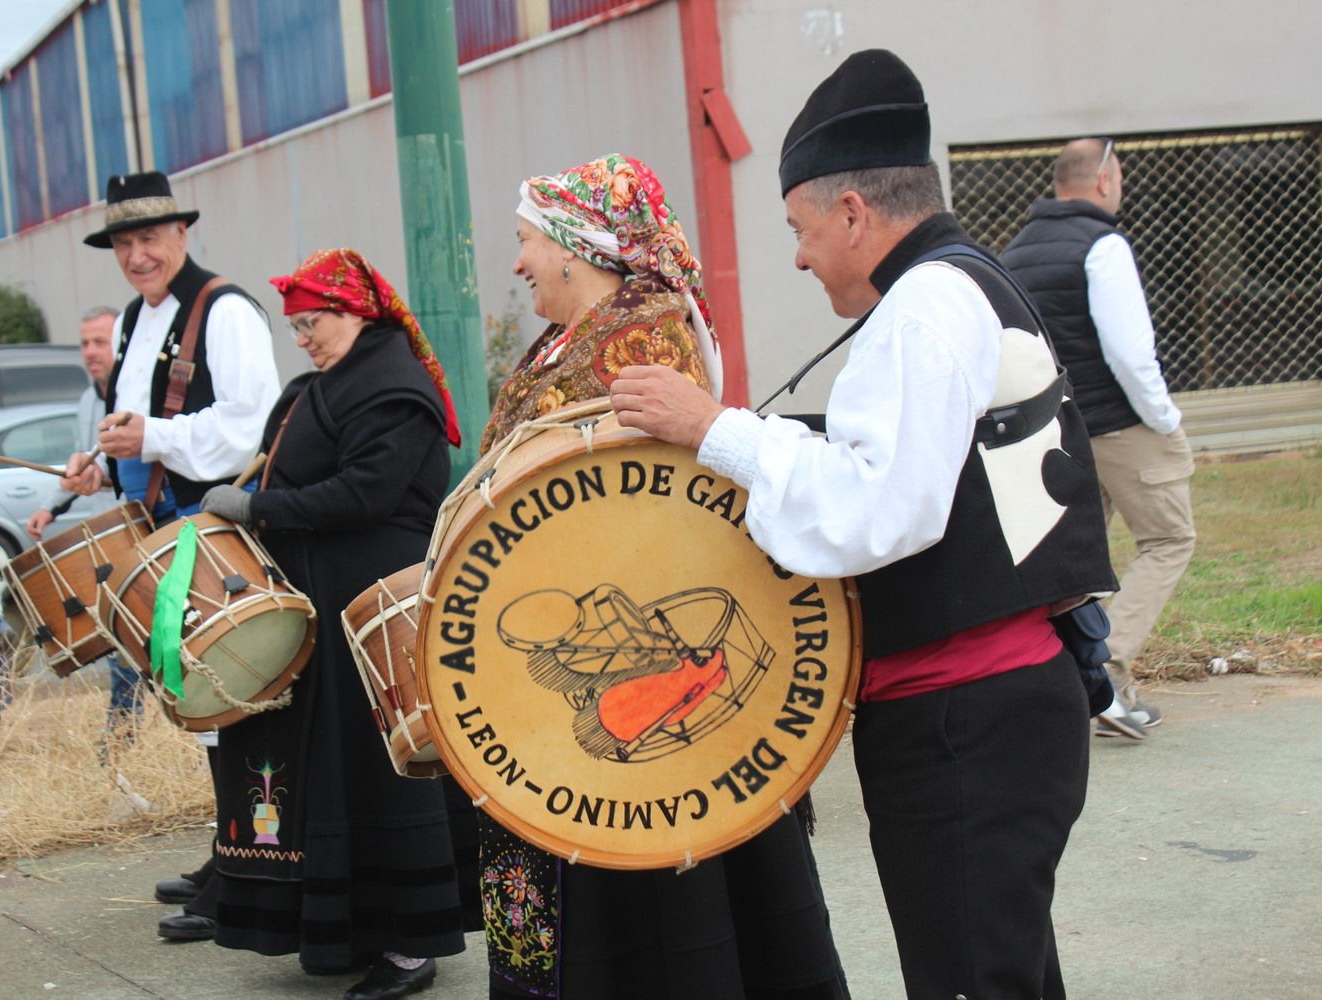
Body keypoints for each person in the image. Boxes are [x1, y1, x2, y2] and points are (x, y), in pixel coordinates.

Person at [609, 52, 1116, 999]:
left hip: (968, 719)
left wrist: (714, 431)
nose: (798, 255)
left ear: (853, 213)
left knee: (969, 979)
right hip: (986, 712)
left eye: (800, 229)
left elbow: (884, 509)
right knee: (998, 972)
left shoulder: (923, 306)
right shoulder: (955, 285)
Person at [479, 152, 849, 1000]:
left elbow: (647, 510)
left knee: (646, 894)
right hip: (573, 646)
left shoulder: (643, 334)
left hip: (635, 657)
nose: (517, 262)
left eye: (526, 241)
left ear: (576, 247)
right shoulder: (571, 339)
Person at [197, 248, 471, 1000]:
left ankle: (412, 946)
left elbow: (368, 494)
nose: (304, 338)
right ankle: (344, 927)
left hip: (376, 607)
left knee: (380, 772)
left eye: (313, 323)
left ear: (357, 313)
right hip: (319, 600)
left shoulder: (396, 389)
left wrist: (259, 509)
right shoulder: (317, 388)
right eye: (297, 327)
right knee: (326, 776)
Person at [62, 170, 281, 942]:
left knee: (233, 704)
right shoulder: (135, 317)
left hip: (215, 537)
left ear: (182, 234)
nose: (138, 255)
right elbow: (135, 422)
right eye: (124, 243)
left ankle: (249, 872)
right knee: (203, 711)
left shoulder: (224, 310)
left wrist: (150, 439)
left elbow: (249, 429)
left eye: (149, 238)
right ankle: (228, 857)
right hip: (164, 533)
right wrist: (100, 460)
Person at [1001, 137, 1197, 741]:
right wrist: (1163, 419)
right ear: (1105, 182)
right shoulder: (1103, 244)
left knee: (1076, 562)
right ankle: (1107, 672)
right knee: (1169, 538)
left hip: (1056, 428)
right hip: (1118, 423)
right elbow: (1131, 353)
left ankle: (1065, 677)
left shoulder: (1017, 249)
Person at [25, 305, 142, 737]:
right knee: (119, 637)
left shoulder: (137, 397)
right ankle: (123, 731)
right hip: (106, 534)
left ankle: (132, 730)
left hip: (144, 530)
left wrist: (106, 476)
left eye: (100, 342)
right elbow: (80, 464)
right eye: (85, 343)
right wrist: (50, 507)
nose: (91, 352)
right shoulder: (86, 400)